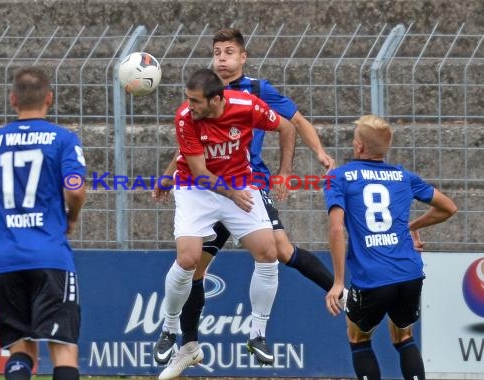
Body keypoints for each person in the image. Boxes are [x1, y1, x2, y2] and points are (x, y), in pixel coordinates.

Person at [152, 28, 344, 378]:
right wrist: (167, 176)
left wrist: (297, 164)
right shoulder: (194, 103)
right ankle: (185, 342)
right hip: (208, 188)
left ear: (243, 57)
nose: (222, 58)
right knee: (192, 264)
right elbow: (191, 155)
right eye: (217, 52)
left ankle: (334, 295)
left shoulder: (255, 94)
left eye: (229, 52)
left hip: (247, 183)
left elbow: (292, 123)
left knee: (276, 250)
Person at [154, 67, 296, 380]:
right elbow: (200, 172)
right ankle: (169, 329)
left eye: (195, 100)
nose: (189, 105)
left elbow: (287, 127)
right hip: (197, 188)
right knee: (188, 258)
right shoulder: (185, 117)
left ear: (217, 99)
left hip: (238, 184)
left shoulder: (247, 106)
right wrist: (231, 194)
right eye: (188, 99)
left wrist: (285, 171)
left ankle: (257, 334)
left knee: (269, 251)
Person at [0, 66, 87, 380]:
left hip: (5, 259)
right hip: (50, 256)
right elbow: (75, 188)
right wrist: (72, 217)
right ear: (49, 99)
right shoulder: (63, 139)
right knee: (63, 345)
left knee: (20, 348)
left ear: (13, 99)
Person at [324, 115, 457, 380]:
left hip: (372, 277)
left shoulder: (337, 177)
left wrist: (338, 282)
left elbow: (337, 229)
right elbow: (448, 208)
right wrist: (410, 227)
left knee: (358, 338)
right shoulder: (403, 176)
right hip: (409, 272)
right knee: (404, 335)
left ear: (359, 146)